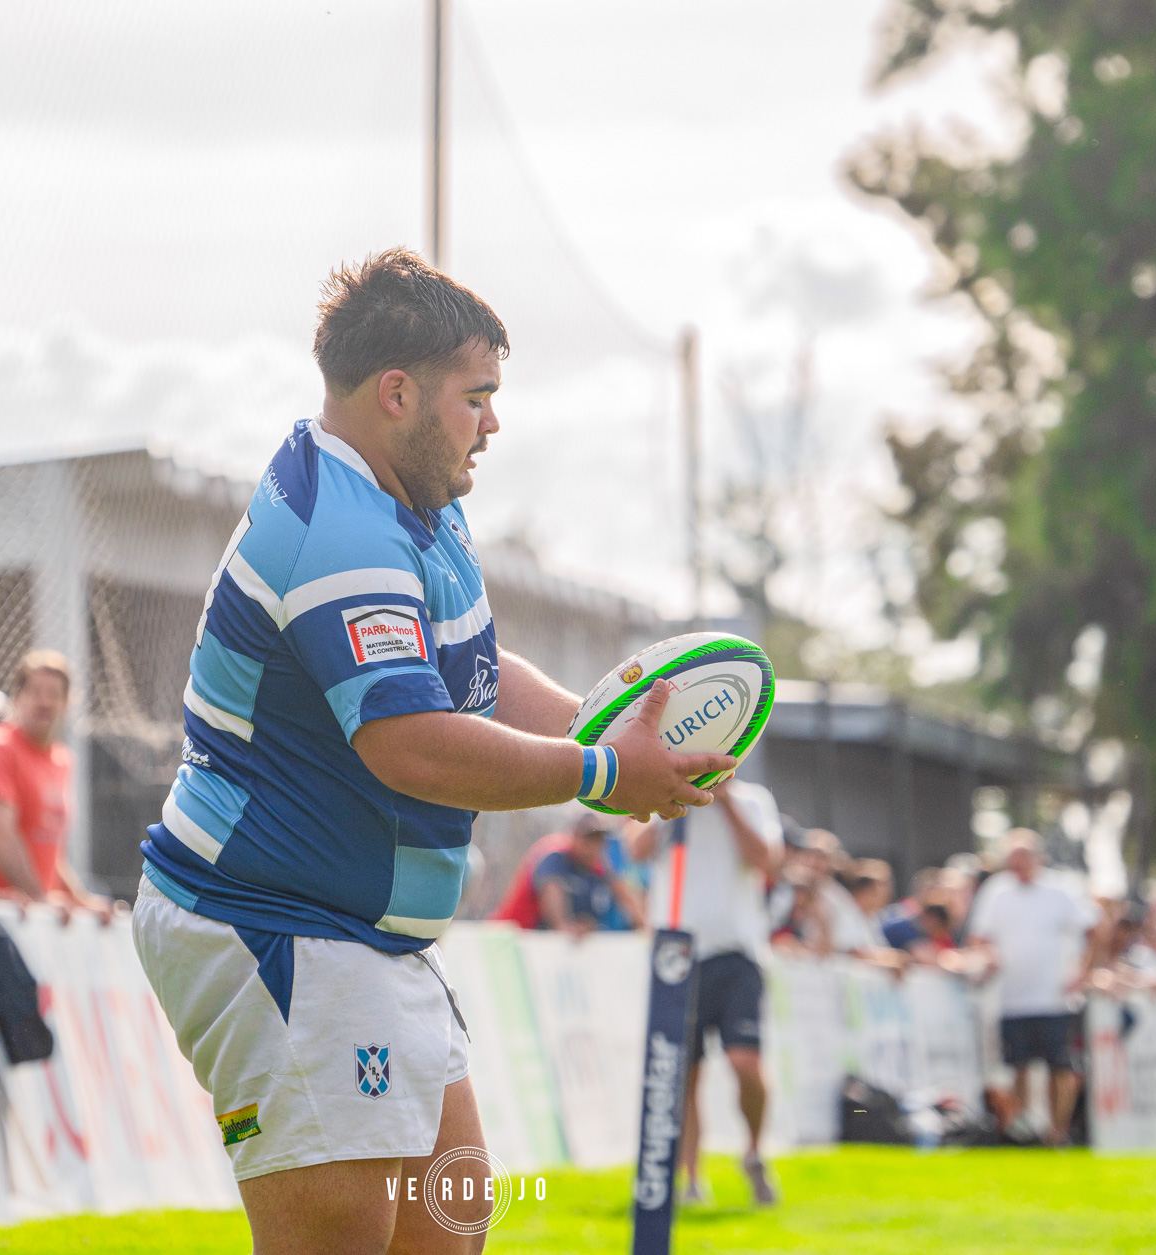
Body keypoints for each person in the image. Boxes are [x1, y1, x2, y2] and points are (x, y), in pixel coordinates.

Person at [129, 250, 733, 1255]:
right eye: (477, 398)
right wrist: (605, 775)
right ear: (397, 392)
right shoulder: (341, 531)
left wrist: (596, 722)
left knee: (451, 1224)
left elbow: (476, 665)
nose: (492, 424)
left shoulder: (418, 507)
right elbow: (410, 745)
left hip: (359, 938)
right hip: (277, 929)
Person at [632, 778, 783, 1207]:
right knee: (684, 1073)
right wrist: (670, 798)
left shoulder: (753, 799)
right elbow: (633, 851)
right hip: (678, 953)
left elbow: (766, 861)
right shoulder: (669, 797)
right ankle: (691, 1178)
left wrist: (726, 801)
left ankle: (754, 1152)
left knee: (745, 1062)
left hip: (737, 952)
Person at [966, 829, 1099, 1146]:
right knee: (1018, 1065)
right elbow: (980, 936)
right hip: (1012, 997)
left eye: (1023, 858)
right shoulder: (997, 891)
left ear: (1037, 858)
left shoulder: (1060, 889)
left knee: (1059, 1066)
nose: (1018, 865)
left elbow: (1093, 928)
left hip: (1054, 997)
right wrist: (987, 957)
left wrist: (1082, 970)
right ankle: (1022, 1129)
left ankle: (1057, 1132)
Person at [0, 651, 114, 923]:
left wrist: (79, 900)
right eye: (35, 691)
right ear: (17, 697)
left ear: (67, 702)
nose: (44, 701)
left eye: (54, 693)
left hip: (34, 917)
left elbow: (47, 849)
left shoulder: (62, 759)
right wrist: (41, 898)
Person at [531, 811, 644, 936]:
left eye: (599, 839)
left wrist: (642, 926)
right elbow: (553, 901)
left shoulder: (601, 867)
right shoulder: (557, 859)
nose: (593, 845)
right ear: (575, 835)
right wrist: (566, 927)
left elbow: (624, 895)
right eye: (589, 838)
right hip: (532, 938)